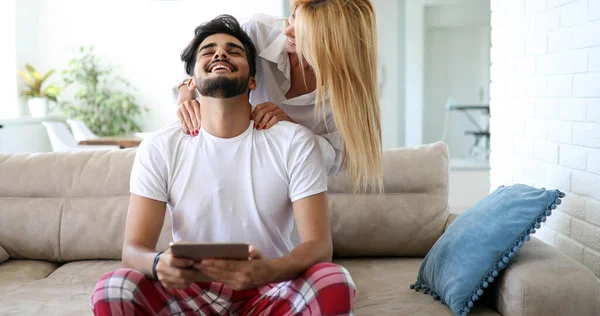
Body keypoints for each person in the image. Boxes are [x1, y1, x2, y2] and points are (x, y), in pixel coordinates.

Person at [91, 15, 355, 316]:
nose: (220, 54)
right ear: (190, 82)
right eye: (208, 51)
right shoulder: (160, 146)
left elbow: (320, 246)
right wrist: (157, 263)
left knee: (335, 281)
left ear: (253, 81)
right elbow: (133, 249)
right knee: (113, 286)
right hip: (190, 291)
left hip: (270, 287)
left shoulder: (295, 142)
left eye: (234, 51)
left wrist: (268, 270)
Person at [176, 0, 383, 193]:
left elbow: (338, 160)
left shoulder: (350, 92)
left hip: (290, 185)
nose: (288, 31)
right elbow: (194, 62)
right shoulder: (257, 33)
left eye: (303, 31)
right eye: (293, 17)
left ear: (333, 43)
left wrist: (290, 128)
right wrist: (186, 95)